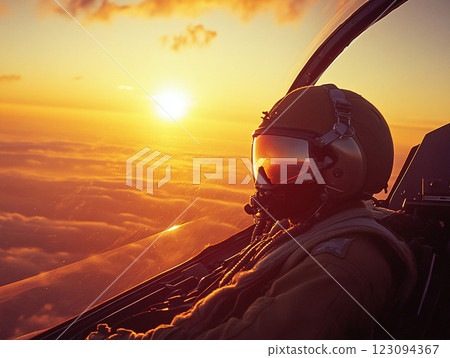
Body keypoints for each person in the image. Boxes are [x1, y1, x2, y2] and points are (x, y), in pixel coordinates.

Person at [87, 84, 417, 340]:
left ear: (342, 167)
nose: (265, 174)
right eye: (266, 155)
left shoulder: (341, 265)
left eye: (287, 158)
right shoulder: (302, 225)